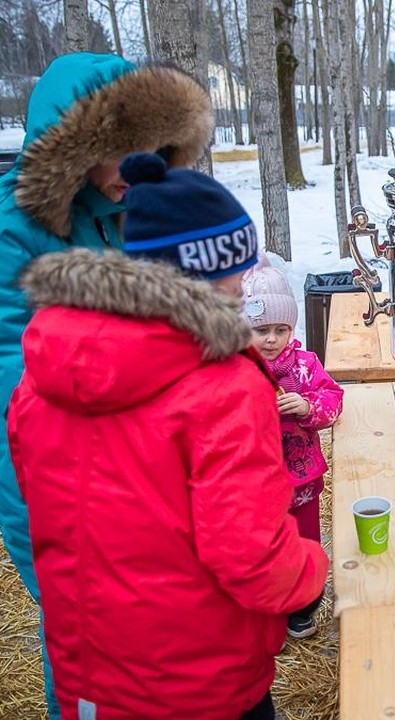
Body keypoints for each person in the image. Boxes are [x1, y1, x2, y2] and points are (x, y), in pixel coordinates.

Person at [7, 152, 327, 720]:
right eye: (237, 269)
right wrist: (309, 574)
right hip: (201, 681)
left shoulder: (46, 367)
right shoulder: (221, 383)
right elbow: (249, 555)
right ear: (205, 270)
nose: (243, 286)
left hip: (93, 673)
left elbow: (52, 508)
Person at [0, 52, 213, 717]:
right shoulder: (18, 230)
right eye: (122, 151)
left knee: (159, 619)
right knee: (87, 629)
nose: (139, 168)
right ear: (75, 148)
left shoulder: (141, 207)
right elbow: (10, 373)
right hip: (56, 477)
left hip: (147, 469)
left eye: (155, 150)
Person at [241, 264, 344, 638]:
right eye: (261, 330)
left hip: (301, 478)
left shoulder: (304, 367)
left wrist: (308, 407)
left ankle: (303, 610)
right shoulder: (237, 369)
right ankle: (269, 617)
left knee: (305, 545)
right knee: (265, 551)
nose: (271, 339)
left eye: (280, 330)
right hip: (255, 487)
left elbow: (333, 398)